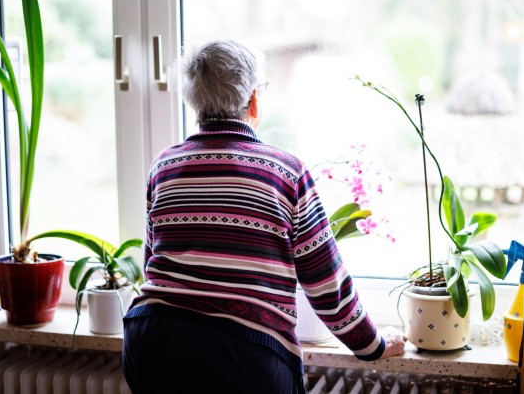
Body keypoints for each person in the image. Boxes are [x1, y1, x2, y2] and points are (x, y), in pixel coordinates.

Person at [122, 40, 406, 394]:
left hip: (151, 340)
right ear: (253, 99)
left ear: (192, 100)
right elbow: (326, 285)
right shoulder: (286, 172)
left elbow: (153, 263)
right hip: (242, 354)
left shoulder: (164, 166)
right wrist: (373, 344)